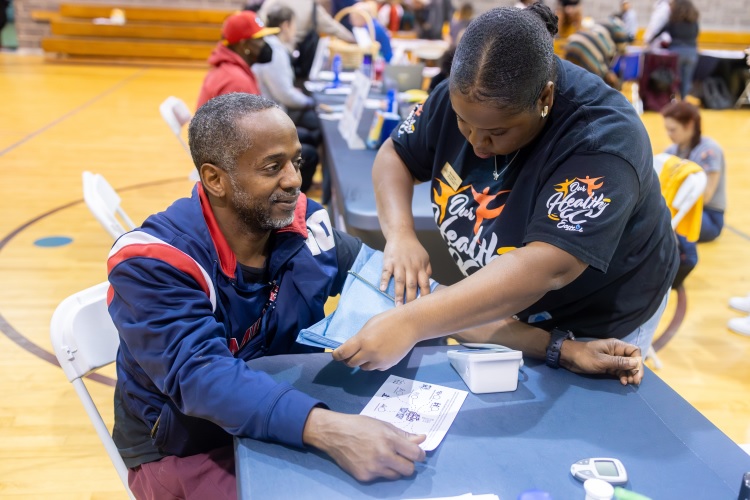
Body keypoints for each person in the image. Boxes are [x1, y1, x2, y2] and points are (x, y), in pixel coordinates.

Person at [331, 4, 679, 385]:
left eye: (497, 133)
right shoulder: (465, 94)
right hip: (512, 314)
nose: (477, 144)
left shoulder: (603, 140)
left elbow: (549, 266)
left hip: (599, 313)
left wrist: (413, 322)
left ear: (544, 99)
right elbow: (394, 155)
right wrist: (400, 235)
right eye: (463, 122)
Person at [109, 93, 427, 498]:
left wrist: (493, 324)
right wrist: (328, 430)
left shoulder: (303, 225)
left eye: (295, 161)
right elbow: (202, 377)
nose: (295, 179)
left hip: (282, 415)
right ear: (215, 179)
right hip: (187, 447)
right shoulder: (153, 262)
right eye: (272, 167)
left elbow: (386, 278)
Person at [197, 11, 319, 194]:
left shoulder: (234, 69)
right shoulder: (235, 80)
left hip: (234, 147)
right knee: (305, 154)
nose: (265, 45)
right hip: (231, 158)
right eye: (259, 40)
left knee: (301, 141)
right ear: (244, 45)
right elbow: (238, 138)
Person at [253, 5, 322, 192]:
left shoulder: (275, 47)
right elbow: (285, 94)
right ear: (285, 25)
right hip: (270, 121)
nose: (295, 30)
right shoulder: (274, 52)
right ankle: (297, 191)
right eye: (294, 25)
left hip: (273, 114)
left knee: (310, 132)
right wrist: (312, 102)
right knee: (316, 126)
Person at [661, 101, 726, 242]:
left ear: (689, 125)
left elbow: (706, 196)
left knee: (658, 221)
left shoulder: (709, 151)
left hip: (708, 216)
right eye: (667, 130)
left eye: (672, 130)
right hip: (678, 209)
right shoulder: (671, 151)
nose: (669, 135)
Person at [564, 20, 629, 90]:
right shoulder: (610, 45)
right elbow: (603, 67)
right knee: (594, 80)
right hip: (579, 47)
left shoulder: (602, 31)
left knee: (575, 77)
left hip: (572, 42)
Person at [663, 0, 700, 99]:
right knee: (686, 80)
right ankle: (683, 101)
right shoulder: (694, 20)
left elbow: (663, 31)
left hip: (676, 50)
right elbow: (696, 34)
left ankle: (672, 99)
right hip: (691, 51)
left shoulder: (673, 19)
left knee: (674, 78)